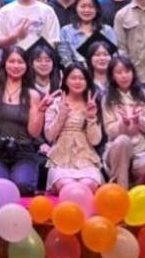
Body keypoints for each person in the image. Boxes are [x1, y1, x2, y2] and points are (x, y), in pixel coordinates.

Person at [0, 46, 45, 195]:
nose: (16, 66)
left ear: (27, 65)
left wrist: (41, 112)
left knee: (22, 185)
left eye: (20, 62)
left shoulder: (33, 95)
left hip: (23, 152)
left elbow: (34, 133)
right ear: (4, 64)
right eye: (11, 61)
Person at [44, 62, 104, 194]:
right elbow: (49, 136)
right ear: (65, 80)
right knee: (67, 185)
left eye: (81, 78)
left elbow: (95, 141)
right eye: (73, 78)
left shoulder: (92, 104)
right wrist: (62, 115)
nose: (77, 81)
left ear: (87, 81)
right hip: (60, 160)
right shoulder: (56, 104)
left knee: (88, 184)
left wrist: (91, 117)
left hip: (86, 159)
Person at [101, 55, 145, 187]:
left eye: (127, 71)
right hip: (117, 149)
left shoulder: (144, 95)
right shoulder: (107, 98)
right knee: (123, 140)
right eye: (119, 72)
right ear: (112, 76)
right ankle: (121, 189)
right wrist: (123, 124)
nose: (124, 76)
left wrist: (138, 120)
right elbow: (109, 130)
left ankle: (133, 183)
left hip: (140, 148)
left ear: (133, 72)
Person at [57, 0, 114, 68]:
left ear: (97, 9)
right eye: (83, 6)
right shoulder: (66, 31)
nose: (87, 10)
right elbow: (65, 58)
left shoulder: (107, 30)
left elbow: (114, 56)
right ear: (76, 8)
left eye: (91, 7)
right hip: (76, 73)